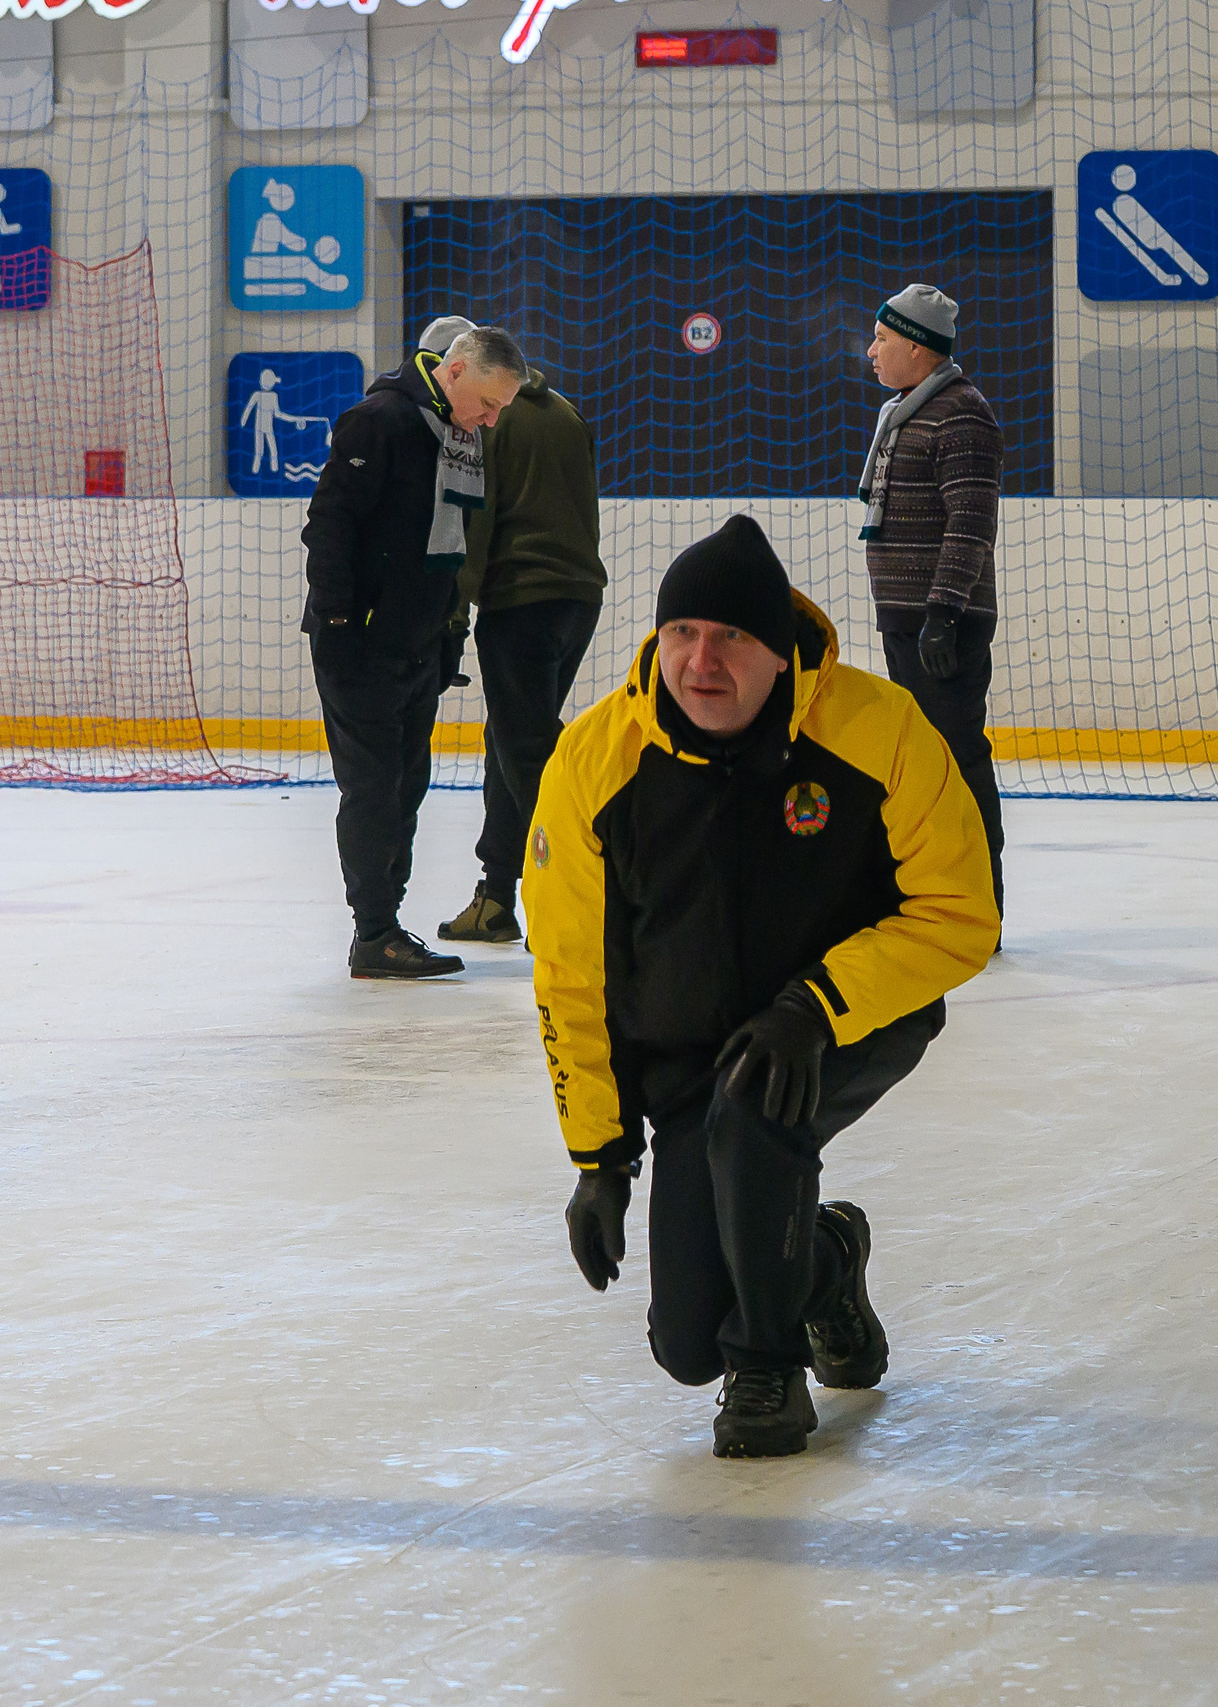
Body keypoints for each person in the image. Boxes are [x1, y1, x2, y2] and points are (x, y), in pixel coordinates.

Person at [524, 515, 997, 1457]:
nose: (703, 660)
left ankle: (768, 1370)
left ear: (781, 655)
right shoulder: (594, 761)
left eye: (733, 636)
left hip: (846, 1020)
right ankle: (824, 1265)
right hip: (690, 1051)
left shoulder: (878, 731)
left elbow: (959, 913)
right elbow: (570, 972)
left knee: (758, 1110)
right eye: (683, 633)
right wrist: (601, 1158)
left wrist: (814, 1006)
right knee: (683, 1342)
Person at [302, 326, 527, 979]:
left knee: (407, 784)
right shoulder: (379, 421)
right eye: (488, 403)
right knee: (373, 788)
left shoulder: (454, 431)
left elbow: (447, 538)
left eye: (501, 410)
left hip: (419, 643)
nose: (492, 418)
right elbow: (329, 524)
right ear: (455, 371)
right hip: (361, 641)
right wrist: (341, 621)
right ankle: (373, 932)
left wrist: (446, 628)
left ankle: (386, 925)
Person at [435, 348, 605, 947]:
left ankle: (575, 890)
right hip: (578, 596)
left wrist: (453, 617)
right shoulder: (566, 412)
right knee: (510, 739)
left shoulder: (491, 423)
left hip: (520, 598)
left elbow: (474, 522)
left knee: (526, 748)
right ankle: (497, 896)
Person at [859, 282, 1005, 917]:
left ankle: (983, 903)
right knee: (929, 763)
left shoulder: (961, 412)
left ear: (918, 347)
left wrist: (943, 614)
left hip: (940, 622)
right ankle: (943, 891)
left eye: (884, 339)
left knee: (959, 758)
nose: (872, 351)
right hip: (914, 620)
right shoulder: (911, 409)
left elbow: (970, 523)